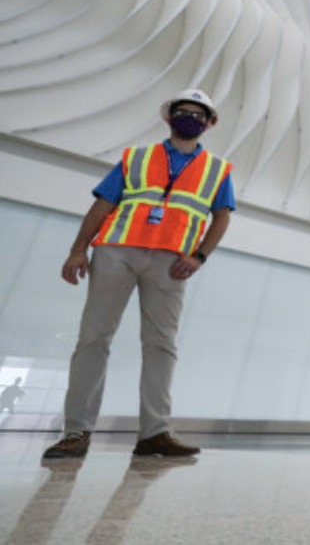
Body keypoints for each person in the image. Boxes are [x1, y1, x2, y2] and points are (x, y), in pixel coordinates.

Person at [42, 89, 235, 460]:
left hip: (172, 263)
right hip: (117, 250)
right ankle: (76, 432)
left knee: (162, 344)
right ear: (168, 116)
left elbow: (222, 216)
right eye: (183, 111)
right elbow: (103, 203)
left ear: (210, 123)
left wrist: (200, 257)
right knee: (93, 338)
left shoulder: (218, 169)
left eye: (198, 114)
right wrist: (78, 249)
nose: (190, 118)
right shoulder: (137, 157)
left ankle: (155, 434)